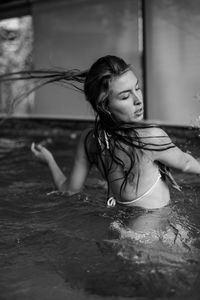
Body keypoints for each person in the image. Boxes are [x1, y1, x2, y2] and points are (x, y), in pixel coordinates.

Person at [27, 55, 200, 212]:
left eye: (137, 88)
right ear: (105, 105)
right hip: (153, 236)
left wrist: (50, 161)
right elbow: (185, 163)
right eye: (125, 97)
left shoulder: (90, 140)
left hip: (118, 227)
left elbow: (70, 191)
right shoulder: (149, 137)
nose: (138, 100)